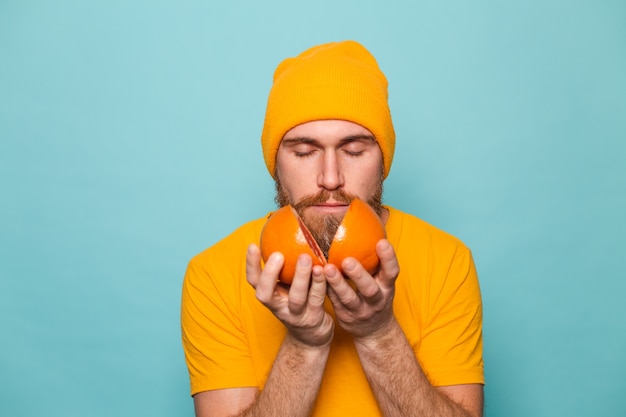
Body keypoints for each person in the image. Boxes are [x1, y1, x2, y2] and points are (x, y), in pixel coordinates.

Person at [181, 40, 484, 417]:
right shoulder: (212, 273)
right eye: (304, 152)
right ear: (275, 162)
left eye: (354, 150)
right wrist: (305, 344)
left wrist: (379, 333)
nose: (330, 177)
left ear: (383, 160)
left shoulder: (446, 260)